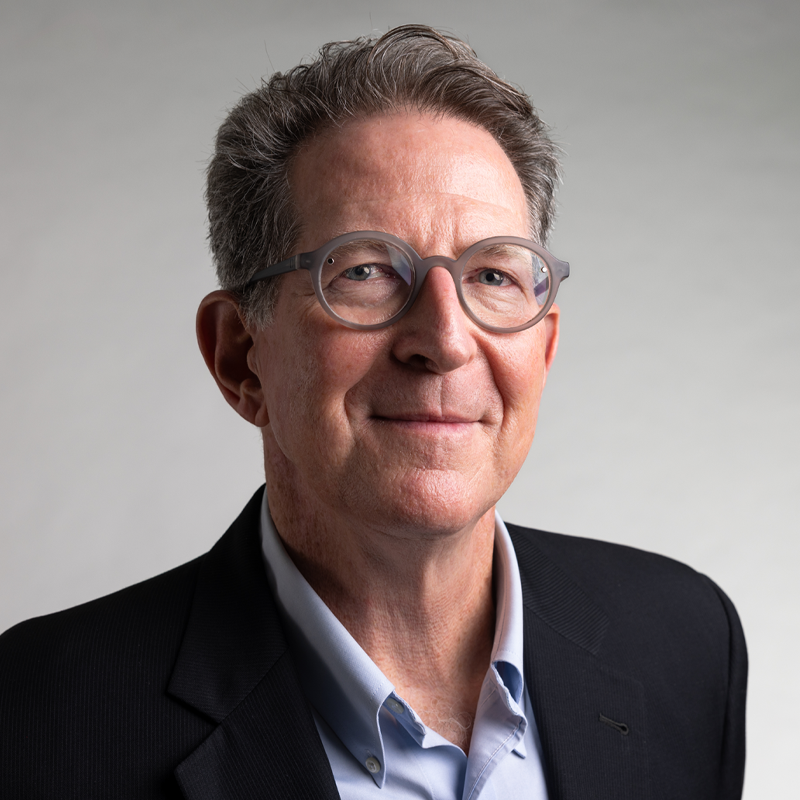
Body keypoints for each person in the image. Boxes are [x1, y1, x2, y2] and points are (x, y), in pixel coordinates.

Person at [0, 24, 746, 800]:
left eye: (492, 275)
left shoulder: (685, 643)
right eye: (362, 272)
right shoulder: (40, 717)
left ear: (543, 351)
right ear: (239, 357)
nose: (446, 341)